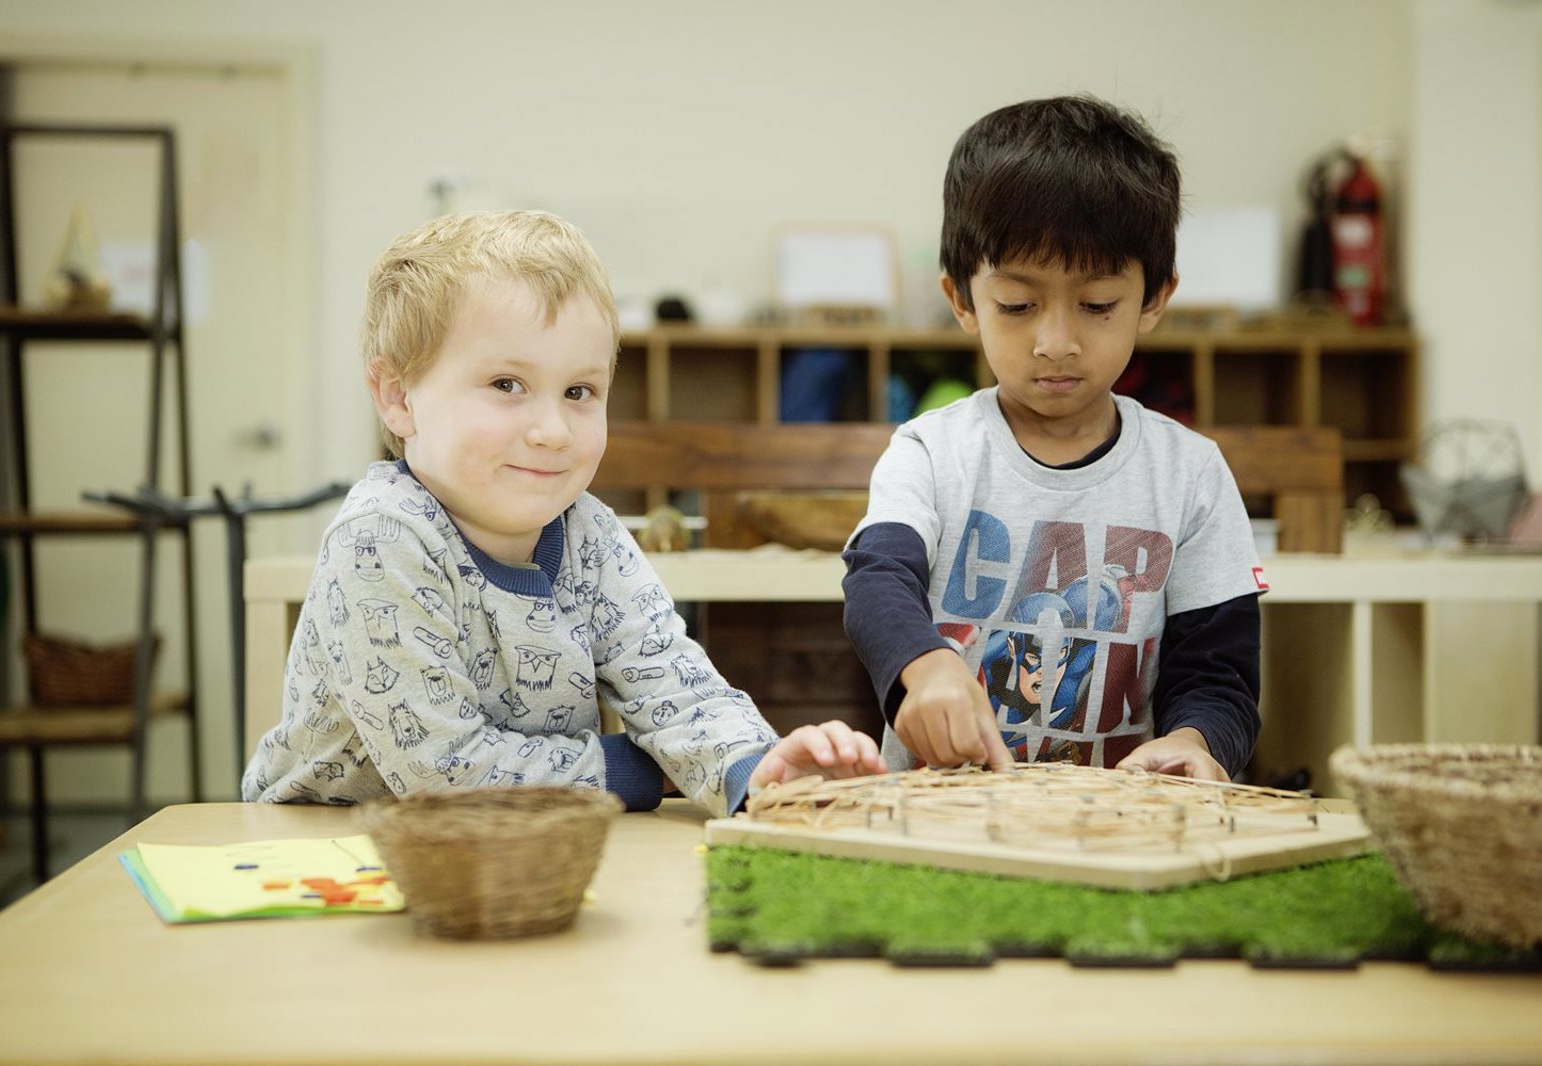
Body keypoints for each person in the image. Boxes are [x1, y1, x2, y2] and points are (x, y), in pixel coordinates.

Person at [243, 209, 884, 816]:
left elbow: (674, 684)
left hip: (520, 846)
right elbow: (441, 771)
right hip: (323, 842)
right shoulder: (381, 537)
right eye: (506, 385)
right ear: (396, 397)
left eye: (580, 391)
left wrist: (756, 769)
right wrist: (635, 771)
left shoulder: (589, 533)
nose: (552, 430)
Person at [842, 96, 1264, 782]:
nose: (1056, 343)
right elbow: (879, 580)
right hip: (941, 814)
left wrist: (1197, 743)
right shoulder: (930, 451)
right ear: (961, 300)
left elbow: (1219, 674)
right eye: (1017, 305)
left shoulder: (1190, 474)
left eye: (1098, 305)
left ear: (1155, 297)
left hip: (1119, 824)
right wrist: (926, 669)